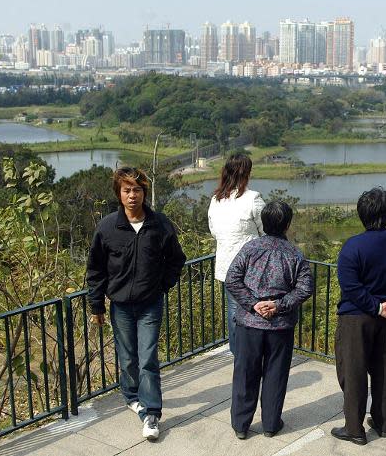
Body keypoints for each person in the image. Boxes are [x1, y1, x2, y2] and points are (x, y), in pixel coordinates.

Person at [87, 167, 186, 440]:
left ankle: (152, 413)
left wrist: (163, 286)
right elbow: (95, 269)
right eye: (127, 190)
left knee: (148, 359)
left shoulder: (159, 225)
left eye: (137, 190)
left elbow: (176, 260)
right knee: (128, 357)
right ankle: (132, 396)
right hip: (120, 306)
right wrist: (96, 305)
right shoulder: (108, 227)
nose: (132, 196)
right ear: (119, 194)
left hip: (150, 304)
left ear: (144, 193)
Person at [332, 187, 386, 446]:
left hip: (356, 318)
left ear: (362, 213)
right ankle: (383, 423)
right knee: (385, 370)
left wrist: (375, 306)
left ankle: (354, 429)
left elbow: (350, 286)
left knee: (353, 370)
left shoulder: (353, 247)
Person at [225, 201, 314, 440]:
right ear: (287, 224)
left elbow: (231, 279)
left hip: (249, 323)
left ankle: (241, 425)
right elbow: (305, 288)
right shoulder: (294, 254)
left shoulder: (249, 249)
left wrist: (254, 304)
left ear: (263, 223)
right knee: (276, 374)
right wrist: (278, 305)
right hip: (280, 326)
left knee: (245, 373)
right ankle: (271, 424)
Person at [207, 153, 265, 357]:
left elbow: (214, 231)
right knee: (254, 310)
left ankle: (238, 353)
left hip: (226, 267)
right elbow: (266, 232)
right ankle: (250, 353)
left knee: (233, 311)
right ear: (246, 174)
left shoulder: (216, 200)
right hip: (251, 269)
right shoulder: (253, 199)